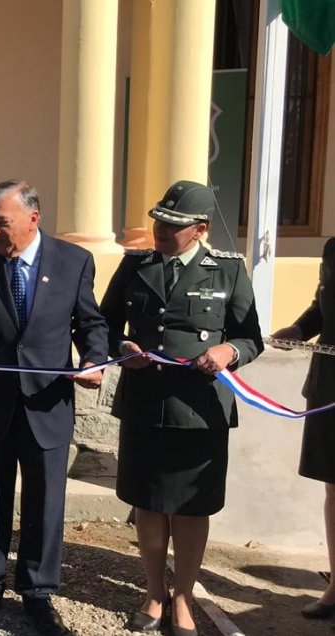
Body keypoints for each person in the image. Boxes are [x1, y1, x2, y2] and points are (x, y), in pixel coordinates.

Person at [0, 179, 108, 636]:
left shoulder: (74, 262)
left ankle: (38, 592)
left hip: (47, 401)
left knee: (46, 501)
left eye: (3, 224)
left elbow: (90, 323)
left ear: (33, 218)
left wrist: (94, 361)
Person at [102, 181, 262, 636]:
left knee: (191, 507)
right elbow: (103, 322)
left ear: (200, 229)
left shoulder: (227, 271)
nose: (160, 231)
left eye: (173, 225)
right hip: (146, 403)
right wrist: (121, 347)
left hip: (199, 409)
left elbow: (251, 337)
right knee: (149, 504)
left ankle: (184, 596)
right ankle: (154, 592)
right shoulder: (137, 266)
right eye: (158, 222)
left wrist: (228, 353)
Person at [273, 238, 335, 620]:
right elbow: (323, 306)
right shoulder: (332, 248)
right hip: (330, 384)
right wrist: (299, 328)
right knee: (334, 484)